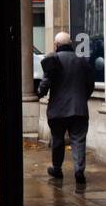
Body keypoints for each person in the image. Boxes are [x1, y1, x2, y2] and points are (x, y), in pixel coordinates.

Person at [38, 30, 97, 185]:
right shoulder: (82, 61)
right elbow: (90, 84)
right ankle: (79, 169)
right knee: (78, 140)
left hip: (57, 110)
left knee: (57, 140)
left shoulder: (53, 59)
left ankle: (57, 168)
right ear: (71, 45)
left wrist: (39, 93)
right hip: (79, 109)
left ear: (56, 45)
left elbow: (45, 84)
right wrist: (82, 98)